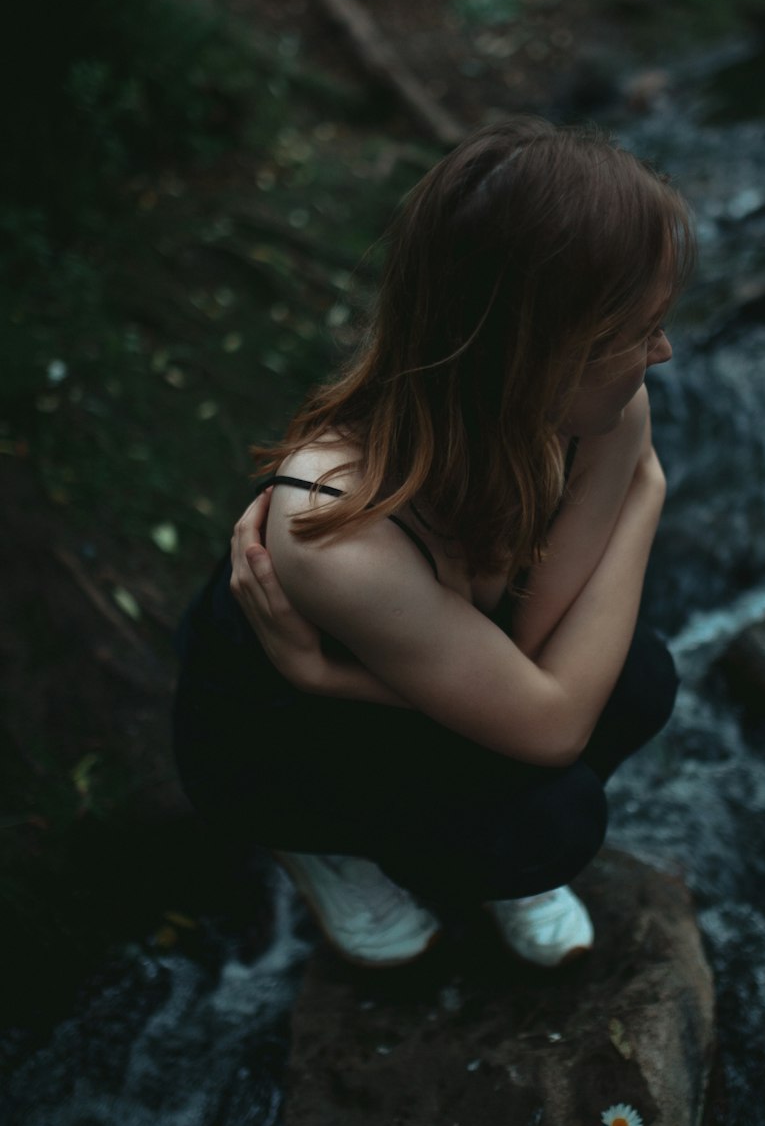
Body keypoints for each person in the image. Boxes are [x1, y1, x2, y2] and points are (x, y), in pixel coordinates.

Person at [172, 116, 693, 970]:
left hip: (393, 673)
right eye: (634, 334)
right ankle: (326, 844)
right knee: (551, 822)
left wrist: (643, 483)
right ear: (527, 349)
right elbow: (553, 723)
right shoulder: (335, 523)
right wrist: (644, 493)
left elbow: (530, 648)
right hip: (281, 741)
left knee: (639, 679)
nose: (662, 353)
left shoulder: (602, 407)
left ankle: (439, 827)